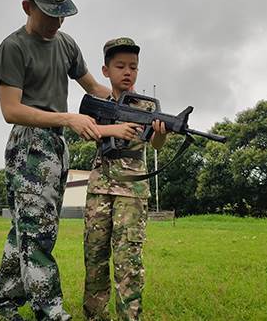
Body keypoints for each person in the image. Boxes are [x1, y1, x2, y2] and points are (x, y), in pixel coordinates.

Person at [0, 0, 111, 321]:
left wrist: (129, 104)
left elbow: (95, 88)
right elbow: (11, 110)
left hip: (57, 145)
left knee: (26, 230)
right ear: (27, 6)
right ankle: (50, 312)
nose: (57, 22)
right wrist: (68, 117)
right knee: (37, 234)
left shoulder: (66, 44)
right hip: (28, 147)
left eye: (62, 14)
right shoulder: (13, 47)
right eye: (49, 14)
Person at [83, 37, 167, 321]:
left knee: (127, 260)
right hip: (99, 189)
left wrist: (162, 132)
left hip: (132, 190)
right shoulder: (98, 104)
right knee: (94, 256)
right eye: (120, 66)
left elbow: (156, 145)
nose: (127, 72)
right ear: (106, 70)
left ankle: (129, 317)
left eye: (133, 66)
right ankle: (94, 315)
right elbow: (85, 130)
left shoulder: (147, 108)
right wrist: (114, 130)